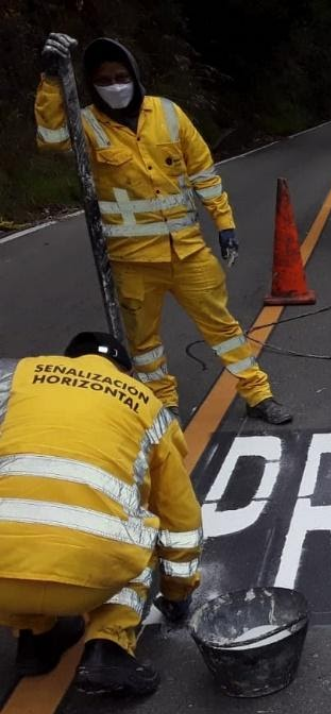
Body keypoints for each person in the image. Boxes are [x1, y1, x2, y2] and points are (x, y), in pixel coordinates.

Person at [34, 33, 292, 424]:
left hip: (187, 252)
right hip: (132, 261)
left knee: (224, 329)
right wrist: (52, 81)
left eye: (120, 76)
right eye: (103, 80)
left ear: (136, 76)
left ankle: (258, 394)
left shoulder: (168, 114)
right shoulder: (86, 123)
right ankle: (162, 403)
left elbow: (203, 172)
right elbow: (51, 141)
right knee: (145, 346)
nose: (114, 85)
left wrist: (225, 223)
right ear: (91, 85)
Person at [0, 333, 203, 696]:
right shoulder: (146, 405)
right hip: (91, 572)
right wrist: (177, 592)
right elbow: (179, 518)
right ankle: (109, 648)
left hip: (3, 580)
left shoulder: (19, 376)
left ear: (68, 359)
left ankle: (34, 639)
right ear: (123, 371)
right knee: (134, 530)